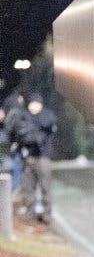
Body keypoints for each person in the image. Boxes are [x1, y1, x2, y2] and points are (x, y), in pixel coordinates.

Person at [14, 93, 57, 223]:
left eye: (36, 104)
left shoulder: (47, 116)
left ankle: (47, 214)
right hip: (29, 157)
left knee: (45, 187)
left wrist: (33, 129)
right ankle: (30, 213)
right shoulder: (24, 116)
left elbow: (47, 127)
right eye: (31, 103)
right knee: (28, 187)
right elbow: (21, 132)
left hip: (43, 157)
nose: (33, 107)